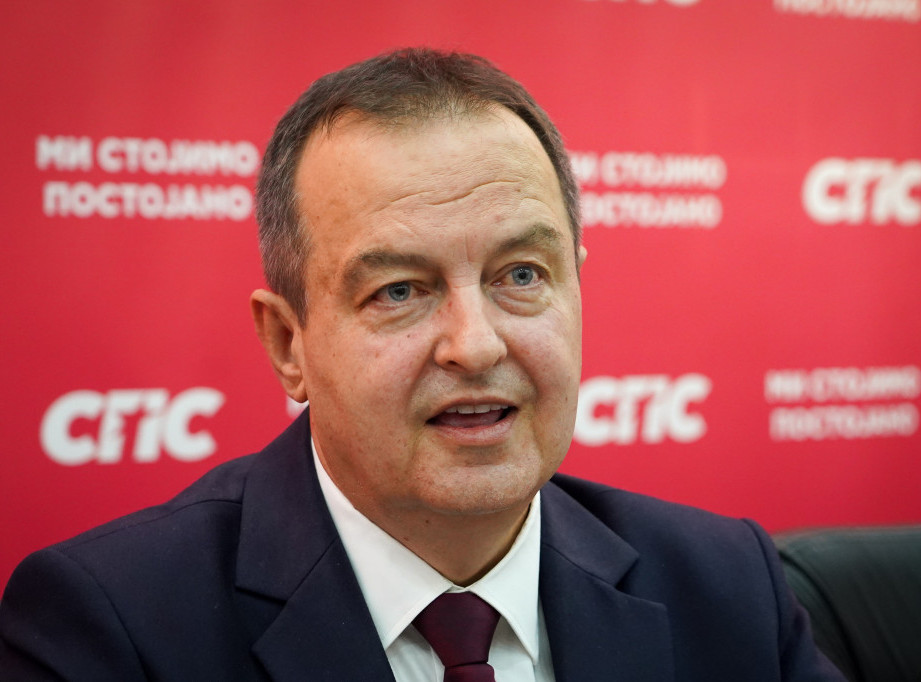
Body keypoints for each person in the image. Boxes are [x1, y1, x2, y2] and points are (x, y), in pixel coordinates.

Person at [0, 48, 843, 681]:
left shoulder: (727, 585)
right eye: (399, 291)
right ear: (288, 345)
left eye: (522, 276)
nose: (475, 345)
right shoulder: (111, 627)